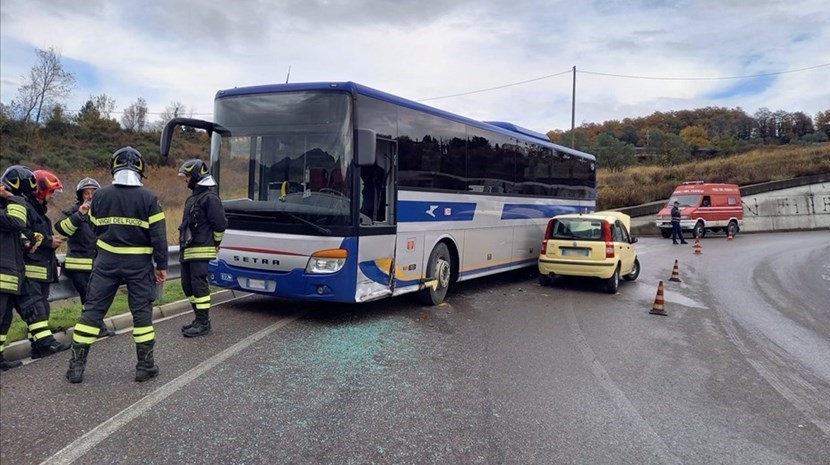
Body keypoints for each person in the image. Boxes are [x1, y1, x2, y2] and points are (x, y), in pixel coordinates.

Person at [65, 147, 168, 383]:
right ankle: (145, 367)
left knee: (92, 312)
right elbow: (159, 237)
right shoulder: (149, 198)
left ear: (114, 166)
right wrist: (161, 266)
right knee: (142, 315)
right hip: (139, 264)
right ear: (141, 168)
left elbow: (92, 227)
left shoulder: (100, 196)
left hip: (106, 263)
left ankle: (75, 368)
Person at [16, 168, 71, 358]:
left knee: (41, 309)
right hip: (31, 270)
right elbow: (24, 234)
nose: (52, 195)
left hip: (41, 269)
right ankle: (45, 345)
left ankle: (38, 347)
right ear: (40, 189)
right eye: (51, 191)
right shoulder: (25, 207)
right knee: (36, 309)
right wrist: (48, 241)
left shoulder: (38, 211)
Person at [55, 177, 114, 338]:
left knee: (98, 297)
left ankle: (91, 326)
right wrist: (79, 215)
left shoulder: (104, 212)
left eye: (93, 193)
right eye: (86, 193)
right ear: (80, 196)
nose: (89, 196)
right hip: (79, 266)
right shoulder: (72, 211)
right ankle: (96, 327)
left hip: (99, 264)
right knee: (90, 298)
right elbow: (62, 229)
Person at [177, 159, 226, 338]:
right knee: (187, 286)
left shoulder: (210, 198)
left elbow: (220, 225)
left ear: (196, 176)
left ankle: (204, 323)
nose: (185, 179)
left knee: (199, 287)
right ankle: (198, 319)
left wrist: (215, 244)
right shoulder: (193, 198)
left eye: (187, 176)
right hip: (187, 250)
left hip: (200, 250)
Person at [0, 169, 32, 371]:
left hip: (10, 275)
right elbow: (18, 221)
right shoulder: (8, 208)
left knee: (4, 319)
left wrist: (27, 243)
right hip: (3, 273)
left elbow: (14, 231)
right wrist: (11, 197)